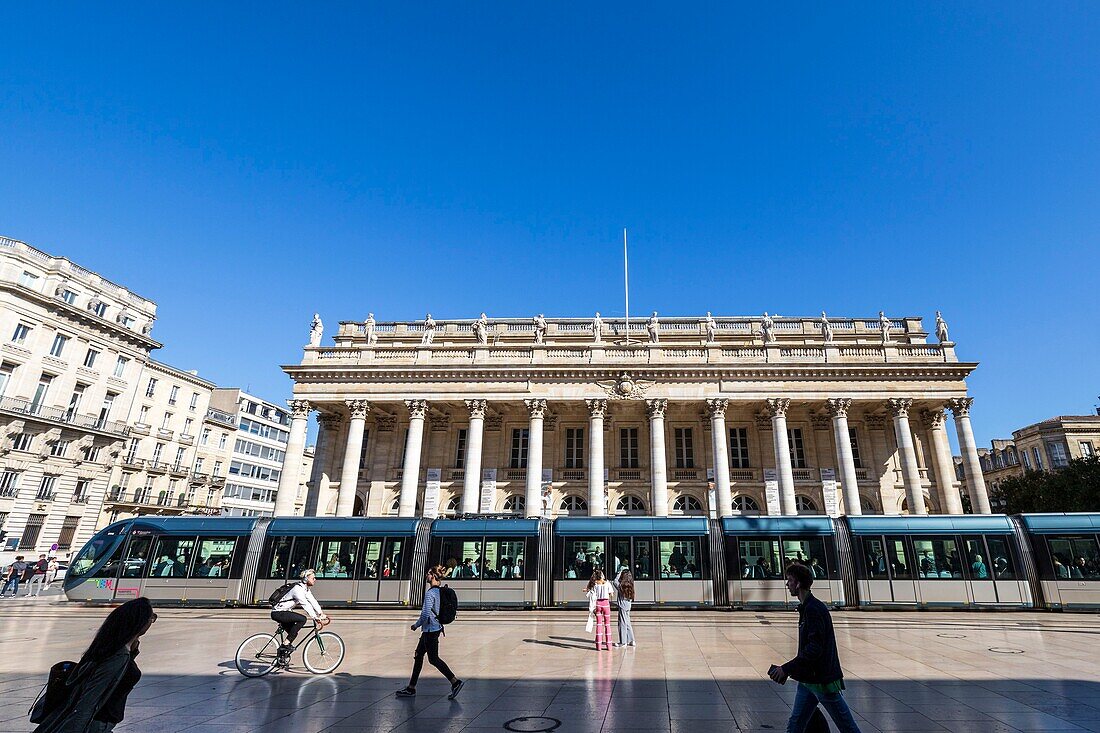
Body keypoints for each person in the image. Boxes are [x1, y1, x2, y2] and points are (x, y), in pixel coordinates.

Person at [32, 596, 157, 732]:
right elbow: (90, 699)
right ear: (140, 621)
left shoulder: (111, 647)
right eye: (152, 617)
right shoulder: (118, 656)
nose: (152, 621)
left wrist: (133, 649)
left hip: (98, 723)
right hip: (94, 726)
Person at [769, 564, 863, 733]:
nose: (787, 584)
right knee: (795, 724)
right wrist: (790, 670)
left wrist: (786, 669)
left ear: (798, 584)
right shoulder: (807, 608)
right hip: (808, 679)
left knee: (847, 727)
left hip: (821, 680)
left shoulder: (813, 609)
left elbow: (814, 648)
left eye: (789, 580)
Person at [396, 565, 463, 700]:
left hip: (430, 630)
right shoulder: (440, 592)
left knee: (433, 659)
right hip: (434, 628)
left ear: (432, 576)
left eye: (428, 574)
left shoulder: (430, 593)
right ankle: (411, 687)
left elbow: (426, 613)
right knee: (418, 654)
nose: (426, 576)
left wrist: (416, 625)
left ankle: (455, 682)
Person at [270, 569, 330, 661]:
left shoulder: (305, 589)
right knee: (302, 619)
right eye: (313, 578)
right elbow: (305, 604)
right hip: (278, 613)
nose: (315, 579)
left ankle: (281, 657)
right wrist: (315, 617)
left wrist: (321, 613)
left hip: (284, 612)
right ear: (306, 579)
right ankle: (285, 644)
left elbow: (313, 601)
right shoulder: (297, 589)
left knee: (293, 633)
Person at [586, 569, 614, 651]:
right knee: (607, 624)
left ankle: (598, 646)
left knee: (599, 624)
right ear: (602, 575)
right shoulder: (607, 583)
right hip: (606, 604)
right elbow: (611, 594)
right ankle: (609, 645)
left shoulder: (595, 584)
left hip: (598, 604)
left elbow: (592, 593)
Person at [612, 569, 636, 648]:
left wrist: (619, 573)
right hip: (628, 605)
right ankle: (631, 640)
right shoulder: (630, 585)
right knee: (627, 622)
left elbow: (615, 581)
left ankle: (623, 642)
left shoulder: (621, 586)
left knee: (622, 623)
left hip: (622, 606)